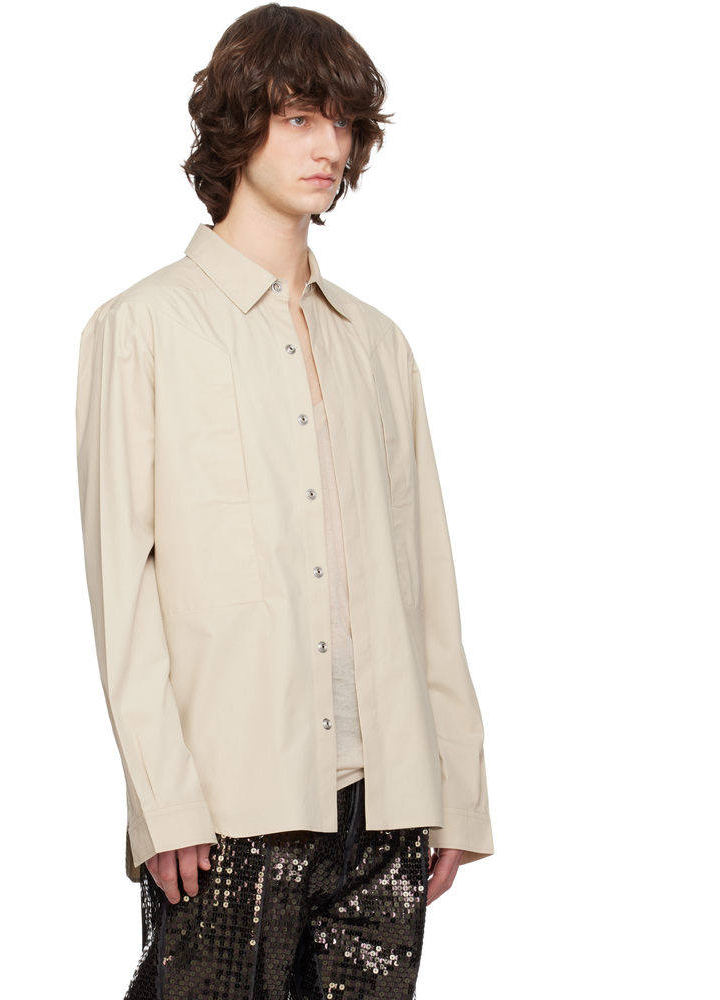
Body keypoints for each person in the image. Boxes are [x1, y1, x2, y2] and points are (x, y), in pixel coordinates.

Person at [75, 5, 494, 997]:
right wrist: (164, 801)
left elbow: (425, 578)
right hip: (230, 805)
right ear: (238, 125)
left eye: (344, 123)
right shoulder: (141, 329)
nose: (329, 147)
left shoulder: (376, 344)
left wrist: (456, 787)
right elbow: (121, 590)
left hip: (388, 803)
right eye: (301, 117)